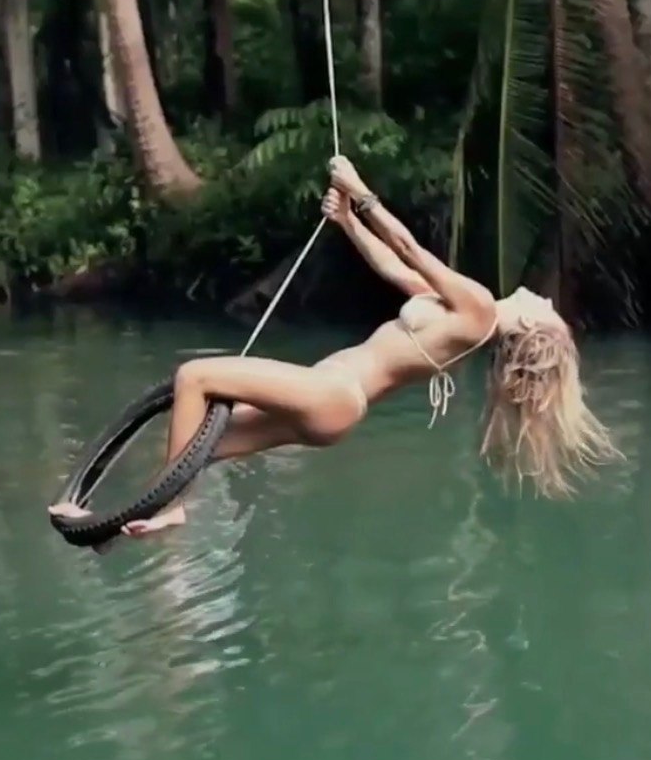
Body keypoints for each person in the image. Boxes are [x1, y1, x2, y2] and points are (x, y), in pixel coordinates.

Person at [49, 156, 622, 539]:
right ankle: (101, 530)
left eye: (551, 310)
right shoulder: (465, 319)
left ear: (533, 325)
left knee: (194, 378)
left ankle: (171, 507)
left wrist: (361, 191)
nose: (548, 298)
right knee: (204, 443)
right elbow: (397, 269)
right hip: (336, 406)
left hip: (333, 393)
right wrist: (348, 222)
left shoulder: (479, 309)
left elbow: (412, 247)